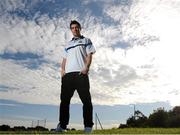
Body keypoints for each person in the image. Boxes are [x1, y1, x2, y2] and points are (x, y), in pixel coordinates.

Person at [56, 20, 96, 133]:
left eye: (76, 27)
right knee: (64, 101)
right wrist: (63, 71)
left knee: (86, 100)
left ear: (80, 28)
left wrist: (86, 67)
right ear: (71, 30)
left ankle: (88, 127)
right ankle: (62, 126)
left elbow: (89, 55)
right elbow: (64, 59)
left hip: (80, 74)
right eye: (72, 28)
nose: (75, 29)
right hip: (68, 76)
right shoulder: (68, 44)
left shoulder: (86, 40)